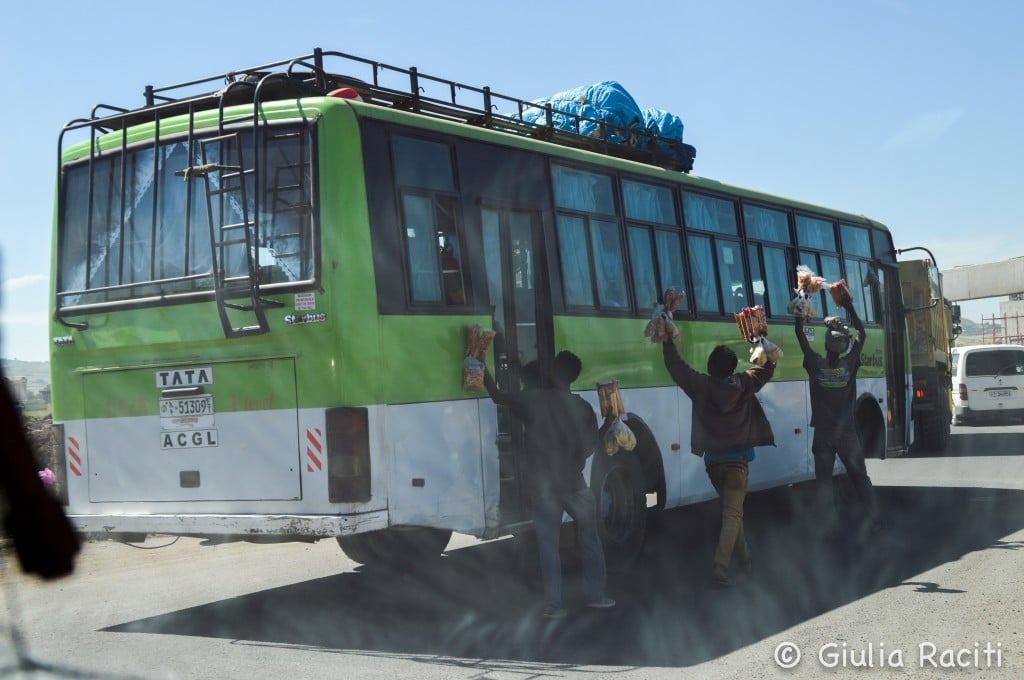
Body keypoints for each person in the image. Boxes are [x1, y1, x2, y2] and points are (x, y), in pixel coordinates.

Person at [484, 351, 614, 618]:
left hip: (544, 486)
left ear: (552, 371)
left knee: (548, 546)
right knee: (590, 540)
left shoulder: (535, 400)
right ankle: (596, 595)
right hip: (575, 485)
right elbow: (591, 448)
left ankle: (554, 604)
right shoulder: (583, 408)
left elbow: (497, 396)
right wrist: (610, 421)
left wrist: (479, 364)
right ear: (575, 377)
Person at [662, 337, 776, 588]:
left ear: (710, 366)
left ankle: (746, 560)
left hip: (713, 464)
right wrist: (763, 344)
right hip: (738, 464)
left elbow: (675, 365)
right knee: (732, 515)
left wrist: (668, 340)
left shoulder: (700, 385)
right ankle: (720, 565)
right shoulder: (744, 383)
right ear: (733, 366)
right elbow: (767, 368)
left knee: (732, 513)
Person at [794, 301, 882, 539]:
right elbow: (862, 334)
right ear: (843, 347)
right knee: (860, 477)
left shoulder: (815, 364)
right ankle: (873, 520)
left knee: (823, 483)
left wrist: (800, 311)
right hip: (846, 434)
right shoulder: (849, 364)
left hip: (823, 434)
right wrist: (850, 307)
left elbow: (799, 334)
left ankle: (828, 527)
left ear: (826, 345)